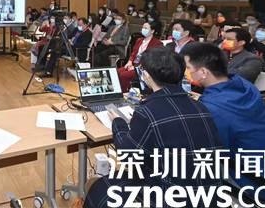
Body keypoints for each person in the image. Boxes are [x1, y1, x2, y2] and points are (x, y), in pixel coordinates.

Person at [85, 47, 222, 208]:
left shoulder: (147, 112)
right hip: (209, 196)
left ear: (147, 76)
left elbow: (129, 156)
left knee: (100, 187)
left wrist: (118, 123)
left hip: (169, 196)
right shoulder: (200, 107)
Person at [183, 42, 265, 192]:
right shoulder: (243, 85)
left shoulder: (213, 109)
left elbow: (209, 150)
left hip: (264, 183)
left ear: (203, 72)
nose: (185, 72)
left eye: (188, 68)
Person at [116, 22, 161, 91]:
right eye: (143, 27)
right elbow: (134, 53)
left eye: (146, 28)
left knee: (124, 75)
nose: (143, 29)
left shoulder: (157, 43)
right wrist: (130, 61)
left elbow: (151, 60)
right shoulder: (139, 40)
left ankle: (123, 92)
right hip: (134, 64)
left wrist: (136, 68)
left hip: (143, 68)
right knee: (117, 72)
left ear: (152, 31)